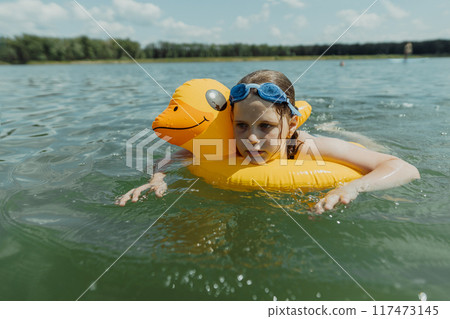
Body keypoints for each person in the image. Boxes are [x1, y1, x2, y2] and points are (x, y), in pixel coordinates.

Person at [116, 70, 420, 213]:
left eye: (266, 126)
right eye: (241, 125)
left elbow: (403, 167)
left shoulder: (305, 146)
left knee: (358, 141)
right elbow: (174, 156)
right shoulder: (234, 145)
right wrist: (157, 178)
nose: (251, 138)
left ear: (290, 125)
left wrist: (352, 186)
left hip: (329, 144)